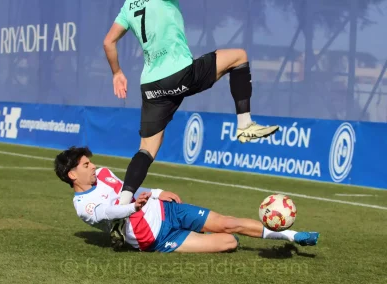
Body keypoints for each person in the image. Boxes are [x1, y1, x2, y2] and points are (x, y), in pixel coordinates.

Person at [103, 0, 280, 208]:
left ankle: (121, 207)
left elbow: (108, 42)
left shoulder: (128, 6)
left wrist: (117, 73)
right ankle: (244, 125)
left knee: (146, 150)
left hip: (151, 85)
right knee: (239, 57)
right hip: (179, 74)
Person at [54, 146, 319, 253]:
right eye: (86, 164)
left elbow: (129, 186)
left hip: (167, 210)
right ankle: (200, 229)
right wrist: (131, 207)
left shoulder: (102, 173)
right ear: (72, 173)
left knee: (228, 223)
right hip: (156, 238)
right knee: (229, 242)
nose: (93, 166)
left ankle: (291, 236)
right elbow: (107, 214)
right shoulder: (83, 206)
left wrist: (156, 193)